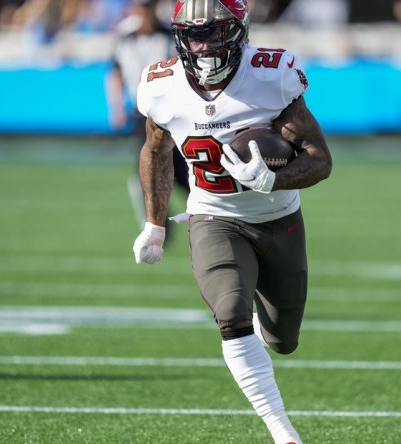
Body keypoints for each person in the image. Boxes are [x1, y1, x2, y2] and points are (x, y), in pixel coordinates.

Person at [132, 1, 332, 442]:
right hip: (213, 215)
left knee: (283, 340)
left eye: (215, 32)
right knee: (229, 311)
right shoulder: (161, 84)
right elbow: (156, 149)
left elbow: (321, 160)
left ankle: (266, 329)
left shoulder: (270, 75)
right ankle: (283, 432)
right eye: (194, 34)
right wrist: (155, 223)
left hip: (278, 219)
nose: (203, 45)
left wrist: (273, 177)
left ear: (239, 30)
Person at [105, 0, 190, 233]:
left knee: (181, 170)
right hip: (142, 113)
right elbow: (115, 72)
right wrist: (117, 106)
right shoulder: (124, 38)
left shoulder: (168, 36)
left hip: (171, 113)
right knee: (148, 167)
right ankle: (157, 221)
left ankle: (202, 210)